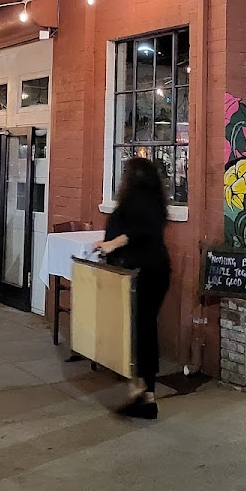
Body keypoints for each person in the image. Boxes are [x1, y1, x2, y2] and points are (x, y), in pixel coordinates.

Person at [94, 157, 170, 419]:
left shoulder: (140, 201)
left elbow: (140, 231)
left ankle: (142, 391)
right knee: (143, 329)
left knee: (140, 331)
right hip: (152, 270)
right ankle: (145, 393)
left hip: (142, 273)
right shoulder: (153, 200)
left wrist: (112, 244)